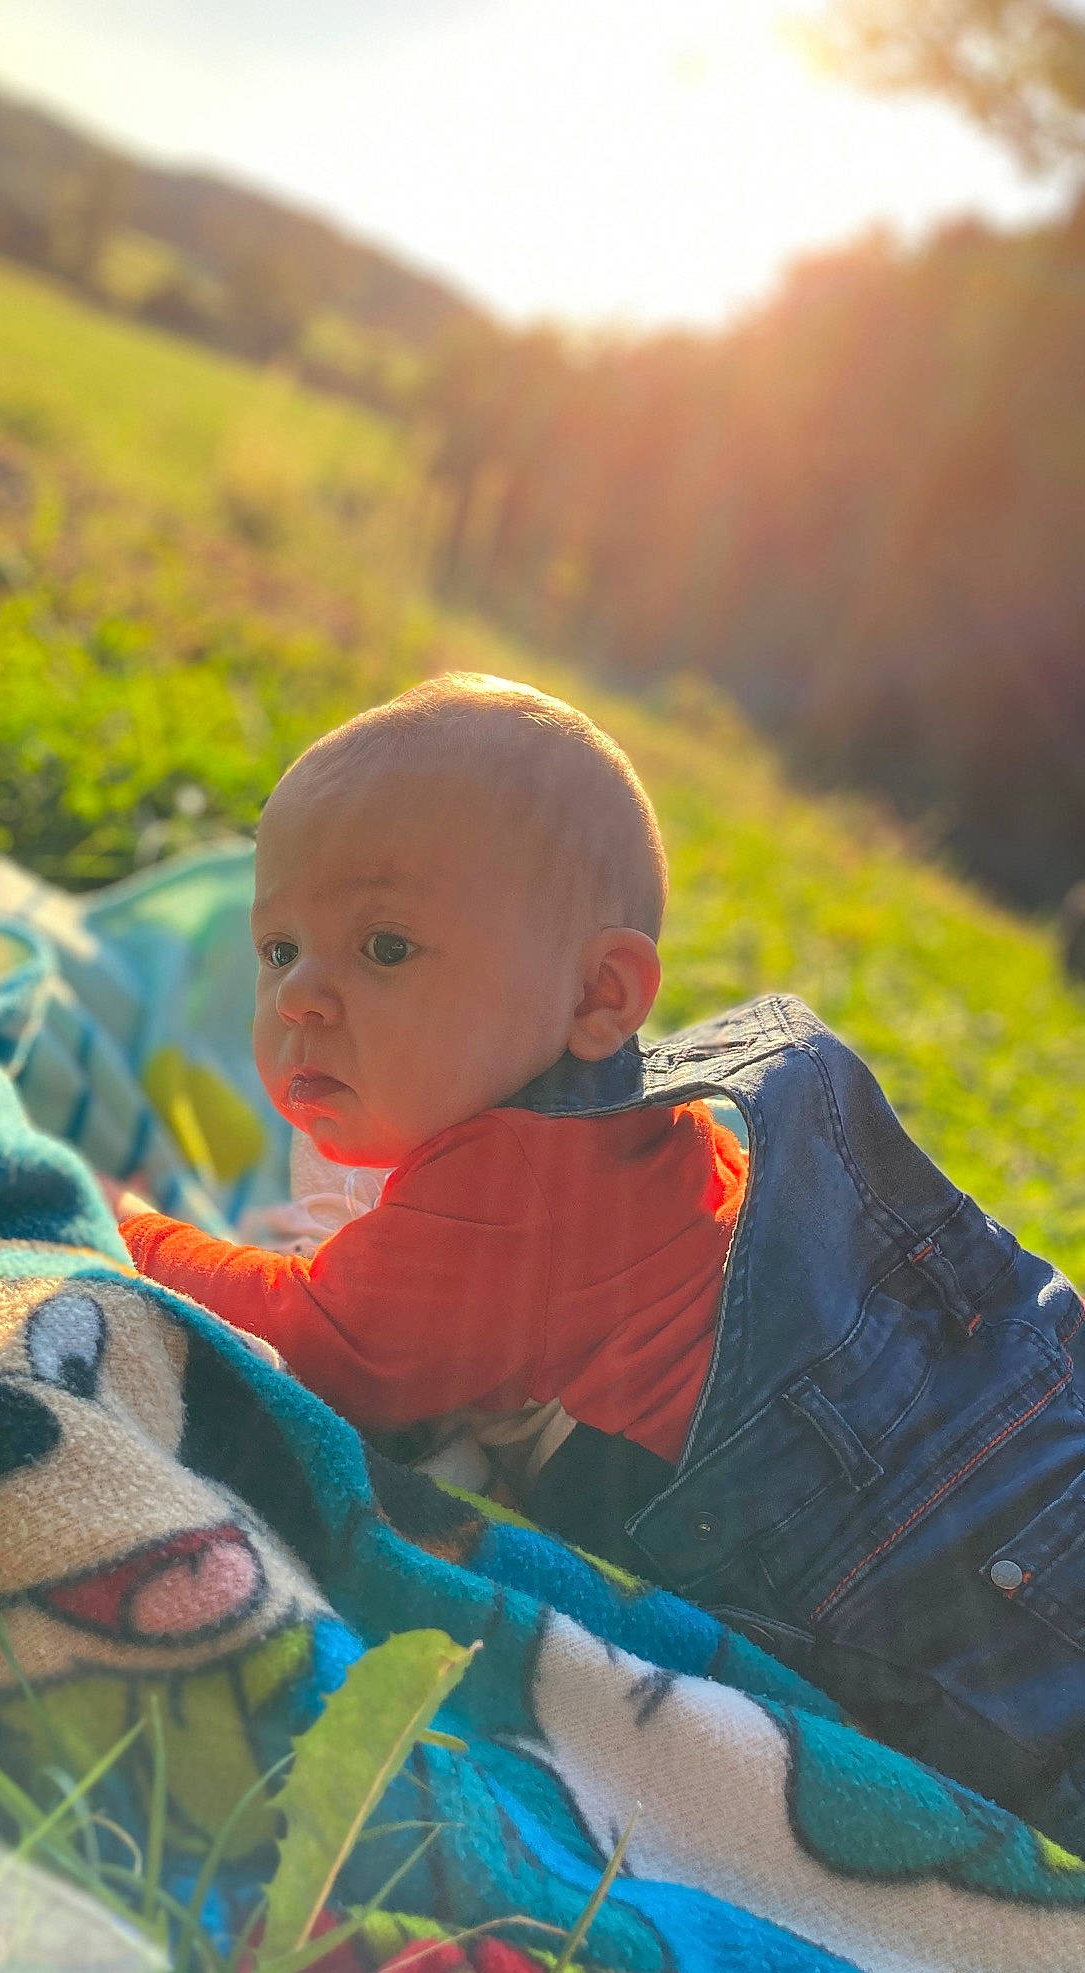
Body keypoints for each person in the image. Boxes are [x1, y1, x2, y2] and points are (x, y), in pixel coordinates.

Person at [115, 672, 1085, 1850]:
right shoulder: (615, 1133)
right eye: (278, 946)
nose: (302, 997)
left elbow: (321, 1342)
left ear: (599, 994)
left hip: (966, 1583)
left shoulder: (509, 1192)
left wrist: (126, 1227)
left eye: (383, 946)